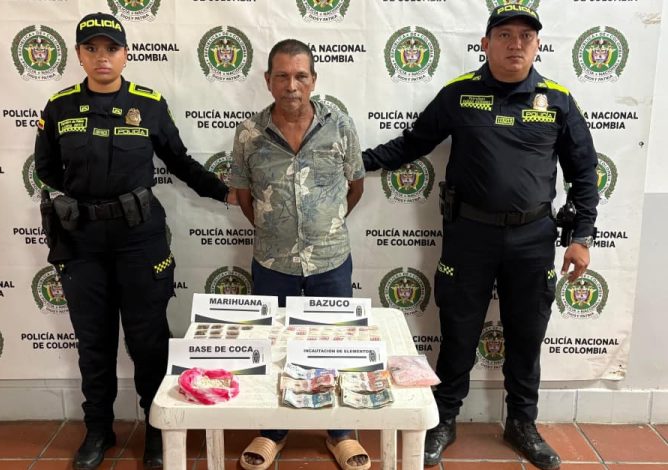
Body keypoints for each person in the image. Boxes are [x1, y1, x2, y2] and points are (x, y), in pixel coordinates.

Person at [362, 5, 598, 470]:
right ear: (486, 44)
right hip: (469, 235)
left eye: (525, 36)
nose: (516, 44)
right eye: (505, 35)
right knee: (458, 332)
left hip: (533, 238)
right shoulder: (458, 95)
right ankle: (444, 419)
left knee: (527, 335)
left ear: (538, 46)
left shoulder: (558, 100)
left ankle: (522, 424)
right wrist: (353, 161)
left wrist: (582, 236)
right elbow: (410, 144)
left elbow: (584, 173)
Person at [34, 12, 237, 470]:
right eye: (92, 49)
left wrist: (223, 192)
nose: (102, 57)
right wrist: (85, 198)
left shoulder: (148, 105)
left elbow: (179, 161)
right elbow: (46, 168)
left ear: (126, 53)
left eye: (111, 48)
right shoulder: (60, 107)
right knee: (93, 340)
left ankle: (157, 430)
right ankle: (98, 430)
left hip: (138, 239)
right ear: (79, 55)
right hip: (82, 241)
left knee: (148, 340)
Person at [229, 39, 369, 470]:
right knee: (275, 345)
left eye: (300, 76)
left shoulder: (339, 125)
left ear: (313, 80)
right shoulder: (249, 133)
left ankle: (341, 432)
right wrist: (278, 232)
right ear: (268, 80)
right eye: (283, 76)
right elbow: (245, 197)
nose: (292, 85)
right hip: (273, 263)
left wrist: (325, 226)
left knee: (334, 345)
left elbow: (355, 186)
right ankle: (272, 430)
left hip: (330, 260)